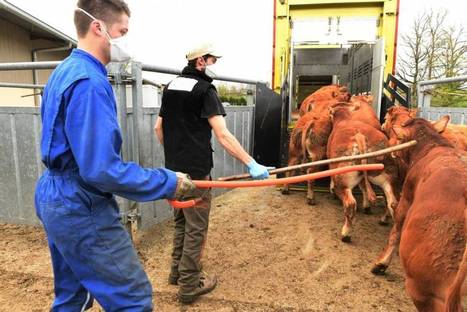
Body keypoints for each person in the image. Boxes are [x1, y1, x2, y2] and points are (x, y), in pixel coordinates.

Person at [34, 0, 197, 311]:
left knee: (72, 296)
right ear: (99, 27)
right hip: (79, 203)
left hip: (54, 196)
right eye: (122, 31)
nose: (125, 40)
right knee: (131, 299)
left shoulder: (63, 71)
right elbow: (101, 169)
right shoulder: (90, 83)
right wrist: (167, 181)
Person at [154, 43, 272, 304]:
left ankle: (176, 273)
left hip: (175, 173)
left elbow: (158, 128)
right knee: (197, 227)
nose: (214, 65)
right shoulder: (206, 91)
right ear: (200, 61)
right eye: (212, 60)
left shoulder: (170, 87)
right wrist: (251, 163)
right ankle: (189, 285)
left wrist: (175, 157)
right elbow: (223, 135)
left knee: (182, 221)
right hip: (197, 174)